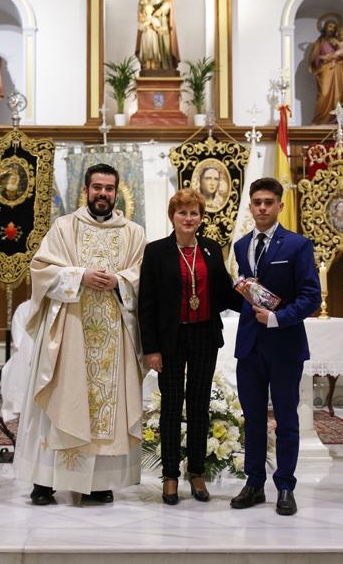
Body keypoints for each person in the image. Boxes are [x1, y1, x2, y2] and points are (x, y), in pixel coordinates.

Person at [15, 163, 146, 506]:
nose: (103, 193)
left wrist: (120, 281)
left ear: (117, 192)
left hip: (113, 335)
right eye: (97, 187)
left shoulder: (133, 232)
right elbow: (41, 270)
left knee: (105, 406)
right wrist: (79, 276)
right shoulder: (64, 227)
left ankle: (97, 481)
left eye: (109, 188)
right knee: (63, 397)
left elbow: (141, 274)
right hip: (70, 329)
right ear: (86, 190)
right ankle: (45, 482)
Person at [138, 189, 241, 505]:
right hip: (170, 340)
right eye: (182, 213)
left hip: (204, 335)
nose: (188, 218)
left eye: (194, 213)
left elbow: (225, 293)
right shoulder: (156, 251)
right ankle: (170, 475)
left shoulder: (211, 249)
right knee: (170, 406)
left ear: (201, 217)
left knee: (199, 405)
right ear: (173, 216)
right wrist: (151, 348)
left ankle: (196, 472)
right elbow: (147, 303)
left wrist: (255, 301)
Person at [230, 177, 321, 515]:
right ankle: (254, 483)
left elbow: (312, 297)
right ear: (251, 206)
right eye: (257, 202)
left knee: (285, 419)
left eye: (269, 202)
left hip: (284, 345)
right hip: (250, 346)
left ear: (280, 205)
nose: (263, 208)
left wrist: (278, 317)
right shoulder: (241, 246)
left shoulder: (297, 245)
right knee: (252, 418)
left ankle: (285, 486)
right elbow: (247, 289)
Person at [135, 0, 180, 74]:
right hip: (149, 20)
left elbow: (169, 3)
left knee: (165, 43)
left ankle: (166, 65)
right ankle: (152, 65)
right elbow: (141, 6)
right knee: (150, 44)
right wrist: (146, 10)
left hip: (162, 19)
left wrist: (160, 10)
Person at [308, 16, 343, 124]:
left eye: (334, 27)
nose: (331, 29)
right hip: (325, 70)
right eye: (329, 26)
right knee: (324, 94)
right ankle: (320, 120)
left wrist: (340, 57)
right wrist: (321, 58)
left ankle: (334, 121)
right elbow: (314, 57)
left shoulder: (337, 41)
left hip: (336, 71)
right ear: (325, 27)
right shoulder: (319, 42)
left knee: (337, 96)